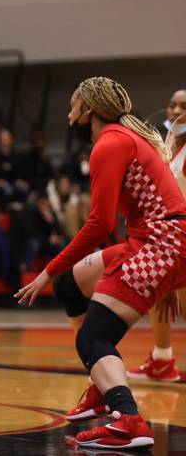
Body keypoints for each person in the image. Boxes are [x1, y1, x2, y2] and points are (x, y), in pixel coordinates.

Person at [15, 76, 186, 450]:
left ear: (88, 110)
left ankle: (128, 420)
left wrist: (46, 271)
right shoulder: (124, 138)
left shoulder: (110, 143)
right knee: (69, 288)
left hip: (160, 243)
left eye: (73, 105)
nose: (68, 112)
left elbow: (99, 225)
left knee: (94, 337)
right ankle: (100, 384)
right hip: (157, 241)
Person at [125, 88, 186, 383]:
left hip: (181, 240)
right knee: (159, 297)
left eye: (183, 107)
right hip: (168, 237)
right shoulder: (167, 142)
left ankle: (163, 360)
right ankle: (162, 360)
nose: (175, 112)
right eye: (172, 105)